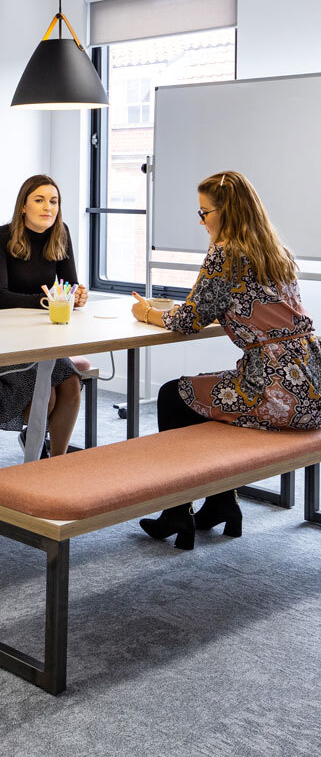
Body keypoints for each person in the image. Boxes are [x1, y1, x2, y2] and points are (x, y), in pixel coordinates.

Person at [133, 170, 321, 549]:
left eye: (205, 213)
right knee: (204, 389)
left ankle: (176, 510)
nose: (201, 221)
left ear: (227, 213)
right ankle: (221, 503)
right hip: (313, 383)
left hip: (274, 389)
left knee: (173, 395)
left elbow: (188, 320)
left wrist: (147, 313)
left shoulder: (226, 254)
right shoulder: (276, 252)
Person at [0, 174, 88, 457]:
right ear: (23, 206)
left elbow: (68, 287)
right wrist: (50, 301)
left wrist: (75, 296)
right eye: (39, 200)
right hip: (0, 327)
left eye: (53, 201)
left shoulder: (60, 233)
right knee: (46, 391)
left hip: (41, 327)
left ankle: (56, 461)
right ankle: (35, 447)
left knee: (70, 384)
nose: (48, 207)